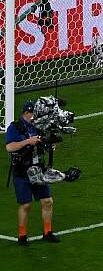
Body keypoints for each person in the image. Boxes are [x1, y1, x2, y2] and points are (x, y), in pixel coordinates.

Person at [5, 100, 59, 245]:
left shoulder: (39, 126)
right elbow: (10, 147)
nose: (36, 117)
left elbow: (45, 142)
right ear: (26, 113)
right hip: (22, 171)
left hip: (37, 170)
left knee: (47, 201)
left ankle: (47, 232)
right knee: (26, 205)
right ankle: (22, 236)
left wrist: (50, 144)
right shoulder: (14, 127)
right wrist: (28, 141)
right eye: (34, 114)